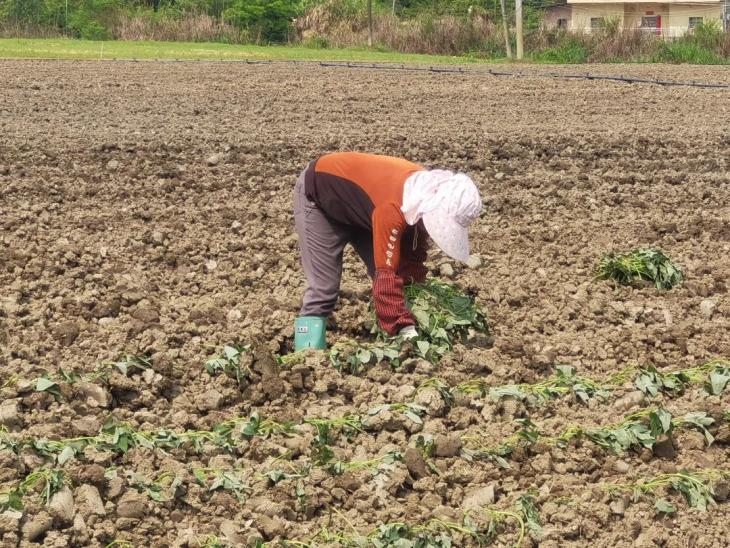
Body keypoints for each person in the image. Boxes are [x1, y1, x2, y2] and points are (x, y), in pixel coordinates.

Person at [293, 152, 482, 350]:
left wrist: (415, 294)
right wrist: (403, 328)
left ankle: (394, 339)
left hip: (361, 208)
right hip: (319, 198)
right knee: (324, 288)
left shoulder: (420, 196)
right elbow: (386, 275)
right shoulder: (395, 206)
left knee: (395, 270)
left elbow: (412, 255)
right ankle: (306, 353)